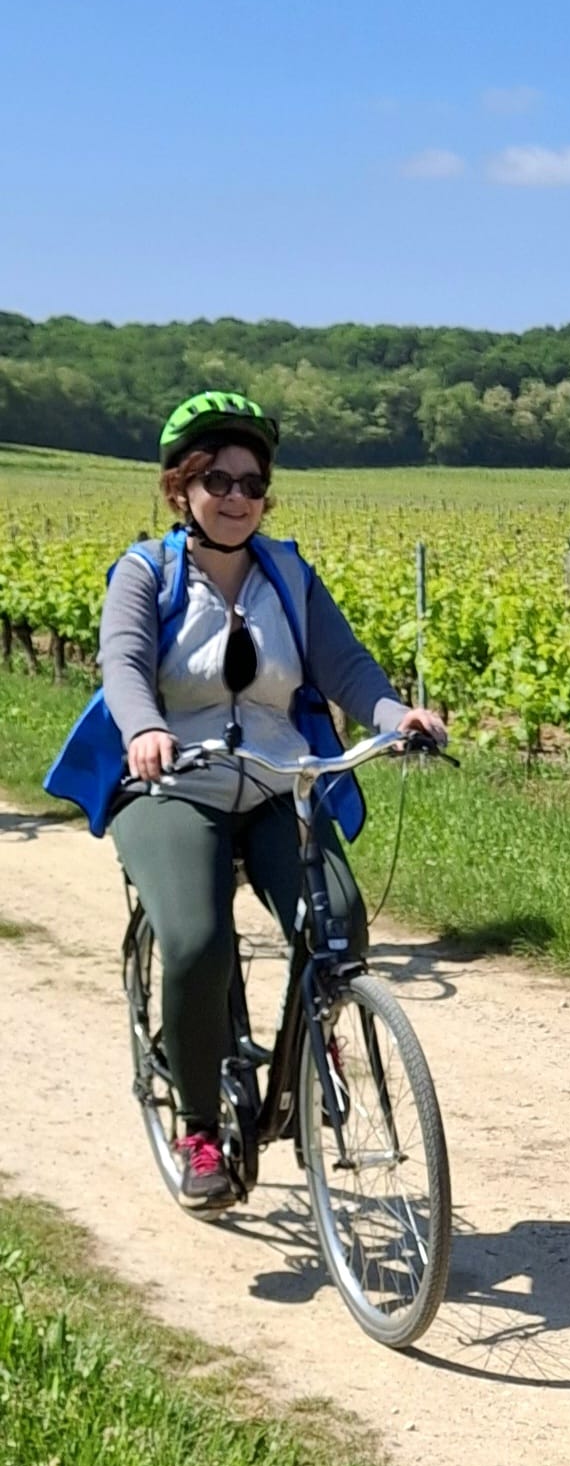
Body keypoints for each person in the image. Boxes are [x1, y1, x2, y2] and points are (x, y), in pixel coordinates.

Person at [51, 391, 447, 1210]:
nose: (237, 497)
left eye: (252, 484)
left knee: (339, 920)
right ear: (181, 489)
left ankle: (311, 1045)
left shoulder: (289, 576)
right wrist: (144, 729)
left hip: (274, 780)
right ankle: (199, 1127)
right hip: (173, 782)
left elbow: (346, 667)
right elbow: (123, 665)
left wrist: (394, 715)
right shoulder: (146, 573)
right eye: (218, 481)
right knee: (198, 943)